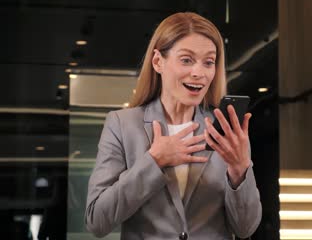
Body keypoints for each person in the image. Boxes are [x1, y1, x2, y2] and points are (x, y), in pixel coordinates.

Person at [85, 12, 262, 240]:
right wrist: (154, 161)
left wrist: (240, 170)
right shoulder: (122, 125)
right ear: (158, 61)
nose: (198, 72)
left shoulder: (224, 131)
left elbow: (245, 228)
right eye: (186, 60)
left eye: (209, 62)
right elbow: (97, 221)